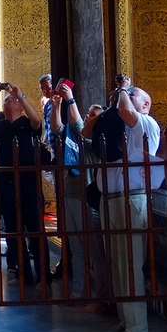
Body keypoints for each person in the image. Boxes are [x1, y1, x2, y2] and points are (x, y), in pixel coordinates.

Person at [86, 77, 164, 332]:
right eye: (125, 94)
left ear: (146, 104)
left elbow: (124, 110)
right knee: (117, 264)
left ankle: (138, 327)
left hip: (131, 199)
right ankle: (126, 319)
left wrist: (122, 88)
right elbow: (87, 132)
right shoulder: (120, 124)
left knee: (130, 263)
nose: (125, 96)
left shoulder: (145, 123)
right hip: (112, 199)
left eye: (132, 95)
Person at [0, 82, 47, 288]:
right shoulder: (0, 127)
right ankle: (23, 273)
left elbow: (37, 121)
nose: (7, 102)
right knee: (13, 231)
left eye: (11, 100)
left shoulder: (27, 124)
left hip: (28, 184)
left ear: (19, 105)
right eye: (5, 100)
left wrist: (20, 94)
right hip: (6, 184)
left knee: (35, 230)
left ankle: (43, 276)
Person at [51, 81, 111, 302]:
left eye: (94, 116)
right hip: (70, 194)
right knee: (76, 247)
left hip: (87, 198)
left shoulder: (95, 142)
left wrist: (71, 100)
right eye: (88, 114)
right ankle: (80, 291)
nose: (88, 117)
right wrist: (57, 105)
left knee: (95, 251)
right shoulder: (75, 138)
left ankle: (100, 296)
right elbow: (57, 129)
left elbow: (77, 125)